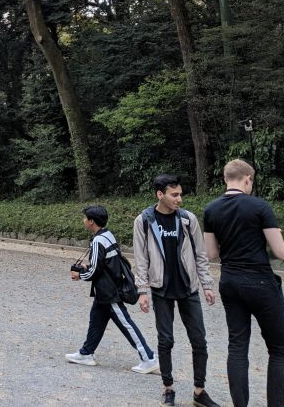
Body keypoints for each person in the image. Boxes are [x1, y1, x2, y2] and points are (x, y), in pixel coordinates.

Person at [204, 159, 284, 406]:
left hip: (230, 281)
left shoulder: (211, 209)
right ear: (247, 178)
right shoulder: (259, 206)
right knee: (280, 349)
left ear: (226, 179)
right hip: (260, 282)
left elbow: (211, 254)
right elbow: (280, 252)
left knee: (237, 346)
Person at [133, 174, 219, 406]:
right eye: (174, 195)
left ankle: (199, 392)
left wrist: (207, 285)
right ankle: (168, 387)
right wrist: (142, 290)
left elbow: (201, 256)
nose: (179, 199)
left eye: (180, 194)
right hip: (161, 289)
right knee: (166, 340)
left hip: (188, 288)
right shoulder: (144, 221)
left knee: (199, 340)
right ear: (160, 195)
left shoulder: (188, 219)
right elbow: (141, 259)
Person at [67, 204, 155, 370]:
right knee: (96, 321)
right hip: (106, 290)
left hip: (109, 292)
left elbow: (95, 270)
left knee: (126, 324)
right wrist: (89, 267)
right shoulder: (107, 235)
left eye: (85, 218)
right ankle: (86, 353)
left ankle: (149, 358)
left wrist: (80, 275)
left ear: (91, 221)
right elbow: (106, 264)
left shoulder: (98, 240)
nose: (83, 220)